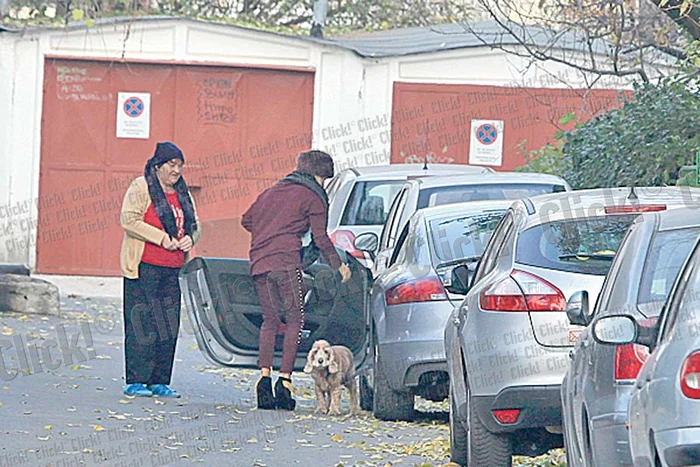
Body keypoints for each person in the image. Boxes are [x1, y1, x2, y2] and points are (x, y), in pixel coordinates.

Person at [242, 149, 352, 410]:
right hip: (286, 263)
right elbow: (320, 237)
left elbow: (247, 220)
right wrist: (339, 266)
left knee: (270, 320)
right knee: (294, 319)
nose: (324, 183)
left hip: (259, 262)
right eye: (324, 178)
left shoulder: (271, 191)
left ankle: (263, 379)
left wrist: (270, 231)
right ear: (318, 174)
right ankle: (285, 381)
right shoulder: (313, 195)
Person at [119, 142, 201, 398]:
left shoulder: (182, 192)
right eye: (171, 165)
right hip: (144, 267)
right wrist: (161, 238)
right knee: (141, 322)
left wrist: (190, 238)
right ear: (158, 166)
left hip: (172, 268)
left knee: (167, 324)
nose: (177, 171)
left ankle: (160, 380)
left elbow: (195, 225)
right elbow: (129, 219)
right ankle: (137, 380)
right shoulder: (141, 186)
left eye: (180, 165)